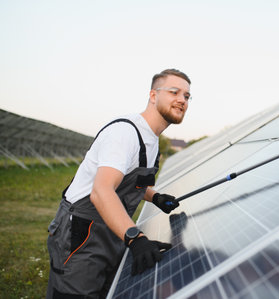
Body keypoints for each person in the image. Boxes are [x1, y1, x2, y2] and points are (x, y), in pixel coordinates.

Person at [46, 69, 191, 298]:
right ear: (153, 95)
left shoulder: (151, 140)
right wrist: (136, 238)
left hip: (111, 225)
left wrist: (155, 197)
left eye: (186, 96)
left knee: (105, 290)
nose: (182, 100)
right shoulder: (125, 133)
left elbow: (129, 182)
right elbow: (102, 191)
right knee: (74, 292)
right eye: (174, 92)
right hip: (83, 228)